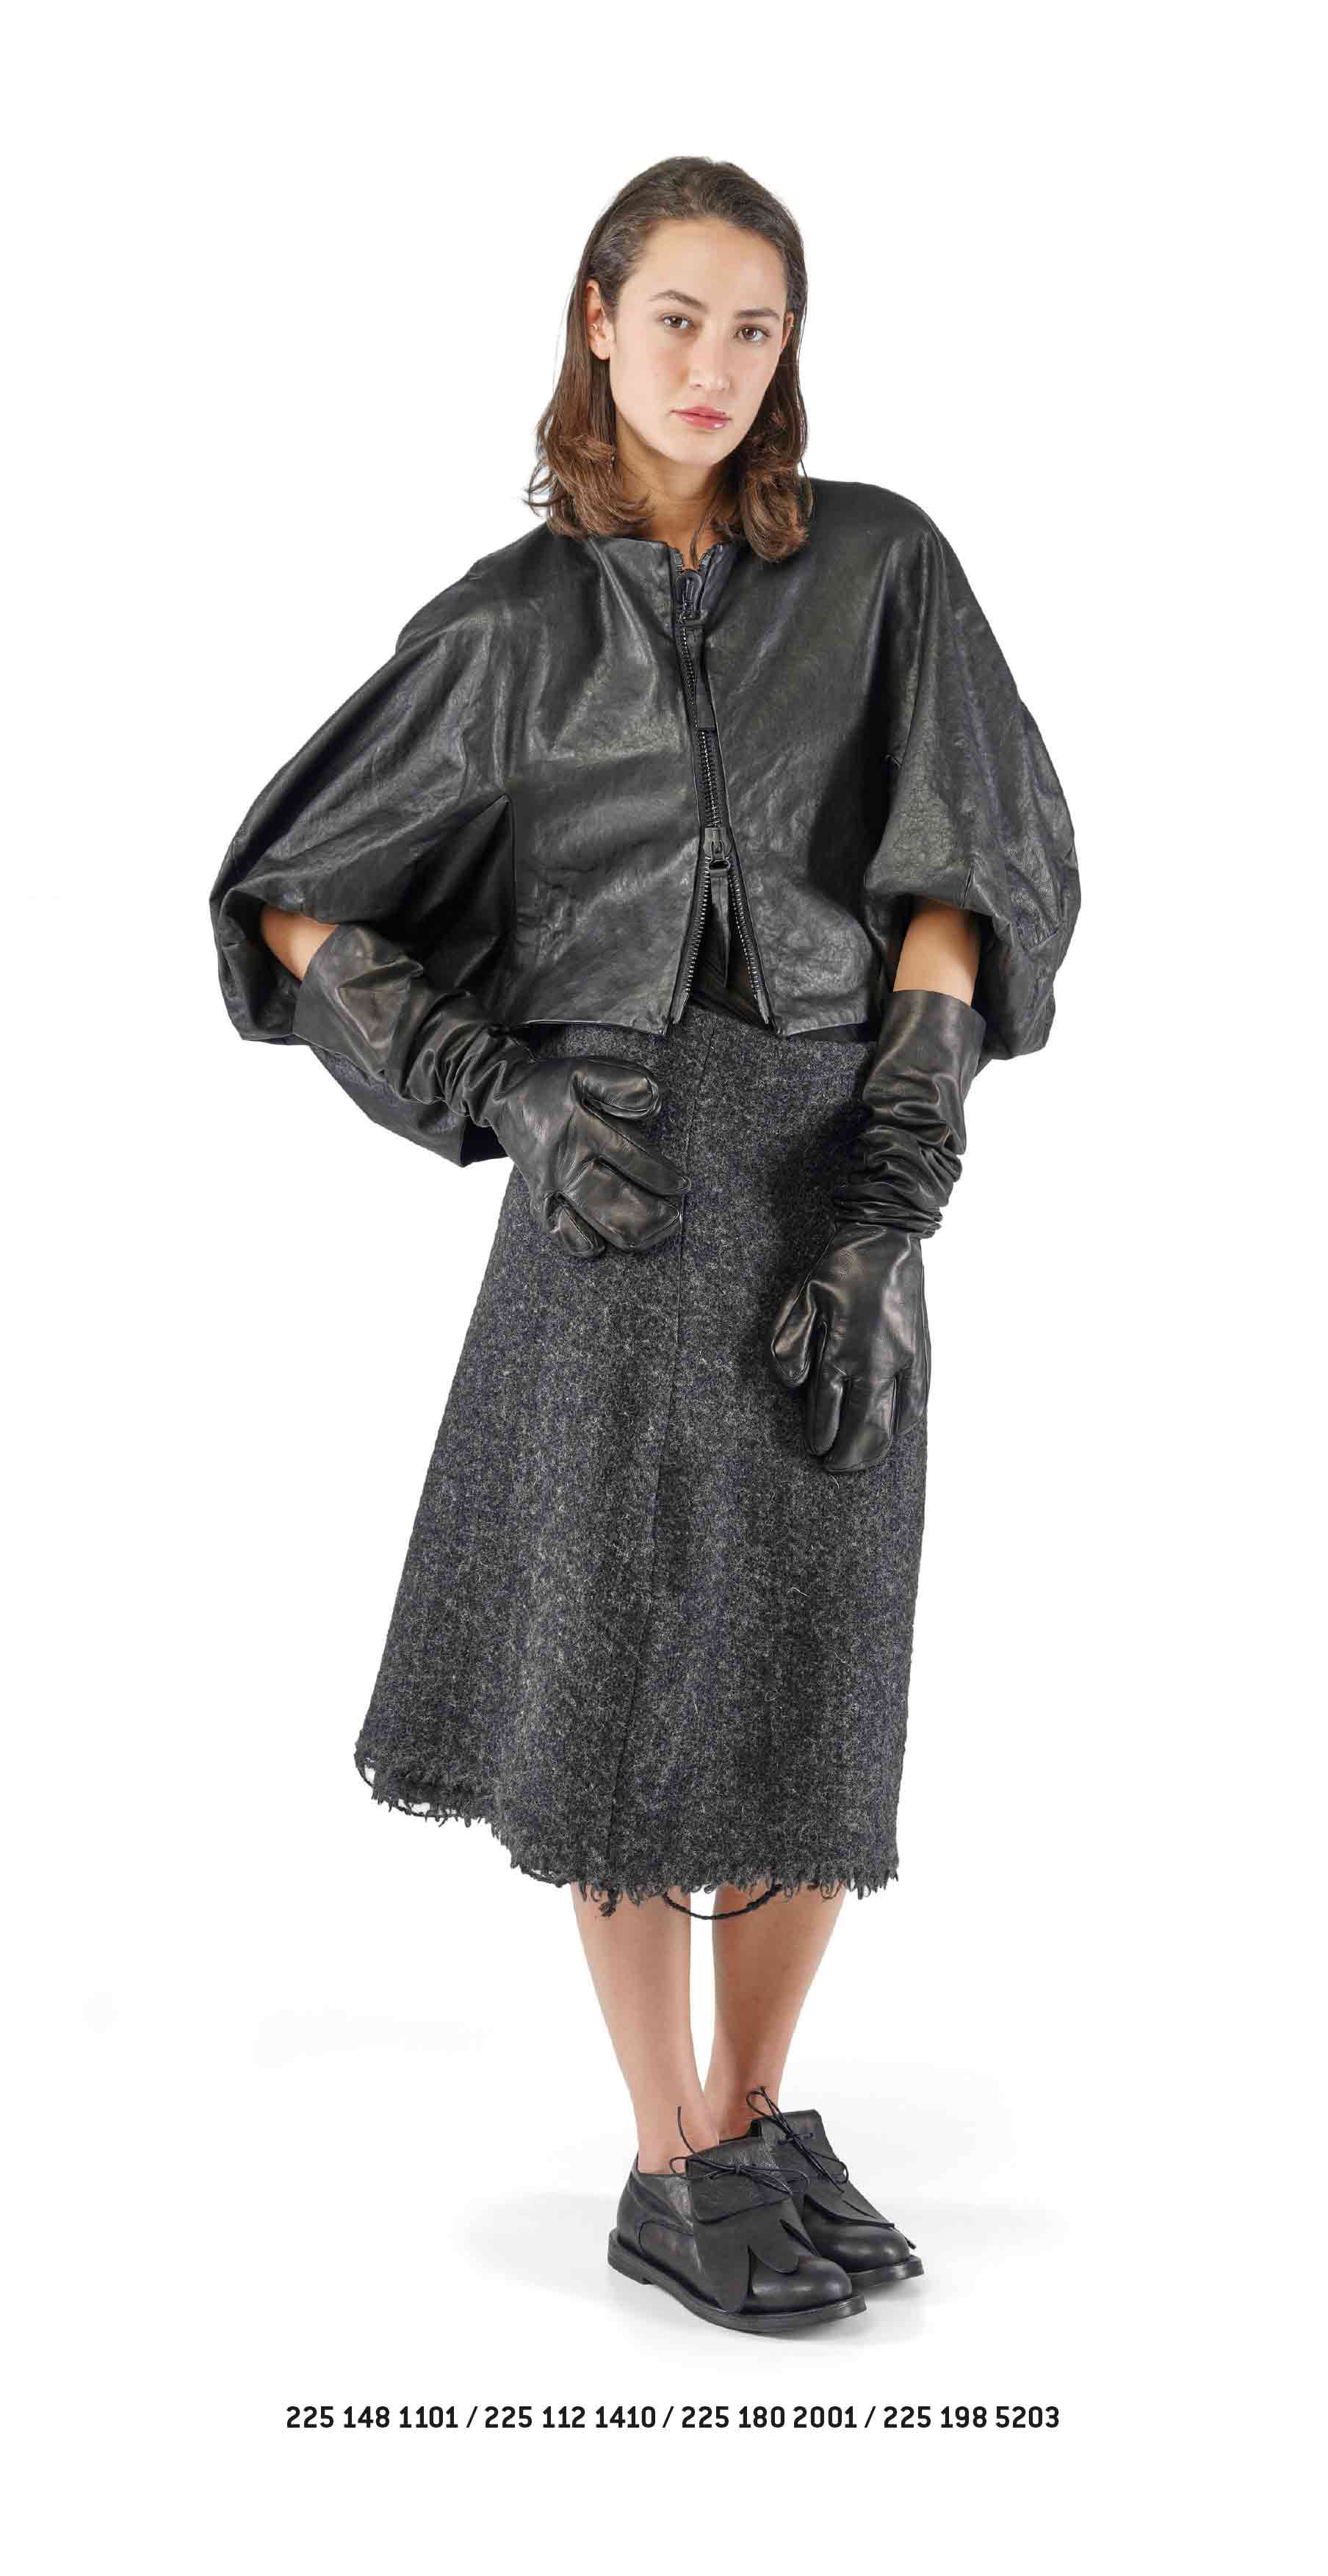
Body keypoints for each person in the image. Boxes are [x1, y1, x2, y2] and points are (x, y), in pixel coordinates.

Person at [209, 156, 1080, 2336]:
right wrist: (494, 1089)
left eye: (755, 328)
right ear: (597, 317)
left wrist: (889, 1194)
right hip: (607, 1184)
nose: (714, 365)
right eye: (677, 316)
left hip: (827, 1166)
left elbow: (965, 872)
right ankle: (670, 2152)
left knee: (813, 1658)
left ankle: (758, 2113)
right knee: (615, 1667)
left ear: (792, 352)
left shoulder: (882, 566)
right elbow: (290, 892)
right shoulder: (507, 627)